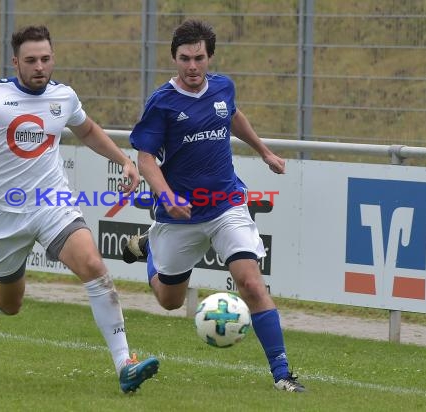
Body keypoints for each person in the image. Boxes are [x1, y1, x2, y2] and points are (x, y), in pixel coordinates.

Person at [0, 24, 158, 394]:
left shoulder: (63, 97)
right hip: (2, 215)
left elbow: (87, 130)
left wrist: (124, 160)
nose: (39, 67)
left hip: (53, 203)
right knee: (11, 303)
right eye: (31, 60)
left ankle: (124, 364)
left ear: (53, 59)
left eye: (46, 59)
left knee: (95, 268)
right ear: (15, 61)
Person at [122, 19, 305, 392]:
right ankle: (151, 246)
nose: (192, 66)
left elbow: (233, 115)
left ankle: (282, 374)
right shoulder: (162, 103)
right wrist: (168, 196)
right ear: (174, 58)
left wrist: (264, 151)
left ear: (210, 57)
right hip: (180, 217)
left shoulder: (223, 87)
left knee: (252, 284)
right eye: (185, 58)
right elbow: (145, 158)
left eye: (199, 58)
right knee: (169, 300)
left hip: (225, 206)